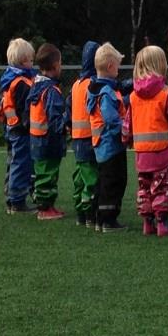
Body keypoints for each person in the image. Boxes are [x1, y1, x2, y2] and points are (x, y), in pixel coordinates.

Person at [123, 44, 168, 237]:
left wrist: (125, 140)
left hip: (142, 153)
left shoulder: (133, 97)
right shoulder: (166, 93)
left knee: (144, 188)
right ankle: (162, 224)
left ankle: (147, 223)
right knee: (163, 187)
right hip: (163, 154)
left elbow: (127, 124)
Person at [87, 42, 129, 232]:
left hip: (101, 146)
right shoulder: (106, 93)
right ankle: (108, 220)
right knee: (114, 182)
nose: (119, 70)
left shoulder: (96, 88)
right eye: (118, 66)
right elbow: (111, 120)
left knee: (103, 182)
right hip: (111, 146)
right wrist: (126, 131)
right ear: (111, 66)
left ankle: (96, 217)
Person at [27, 43, 67, 220]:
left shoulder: (35, 85)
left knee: (43, 173)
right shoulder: (51, 90)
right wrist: (65, 125)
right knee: (47, 175)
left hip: (36, 139)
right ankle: (44, 208)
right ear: (55, 65)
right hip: (48, 141)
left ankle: (47, 204)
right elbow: (55, 118)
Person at [0, 38, 37, 214]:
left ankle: (10, 197)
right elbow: (25, 109)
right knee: (21, 164)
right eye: (30, 60)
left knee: (13, 162)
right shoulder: (21, 83)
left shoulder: (9, 78)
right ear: (23, 61)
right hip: (21, 130)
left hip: (11, 128)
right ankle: (17, 201)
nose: (32, 63)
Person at [67, 41, 101, 227]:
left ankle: (80, 210)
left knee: (80, 176)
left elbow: (68, 108)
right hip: (90, 138)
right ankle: (90, 212)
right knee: (91, 177)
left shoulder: (76, 85)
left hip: (77, 138)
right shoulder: (93, 85)